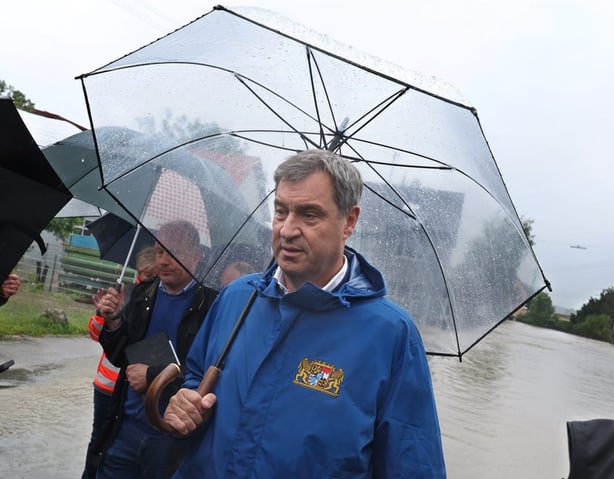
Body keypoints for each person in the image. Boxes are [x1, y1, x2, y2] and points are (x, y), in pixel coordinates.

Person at [164, 150, 447, 478]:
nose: (287, 229)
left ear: (349, 221)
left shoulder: (390, 334)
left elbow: (412, 463)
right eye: (281, 211)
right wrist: (184, 406)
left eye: (309, 214)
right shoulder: (237, 297)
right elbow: (196, 379)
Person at [92, 220, 217, 479]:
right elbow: (119, 356)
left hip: (168, 439)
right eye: (160, 251)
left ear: (195, 256)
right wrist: (114, 320)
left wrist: (152, 376)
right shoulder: (142, 294)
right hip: (124, 427)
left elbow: (209, 375)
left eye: (175, 252)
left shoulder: (210, 306)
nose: (164, 260)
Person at [81, 245, 158, 479]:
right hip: (107, 384)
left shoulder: (153, 299)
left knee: (114, 441)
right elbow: (95, 334)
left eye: (154, 276)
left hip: (130, 387)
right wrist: (103, 315)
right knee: (99, 439)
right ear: (138, 273)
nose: (150, 280)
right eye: (146, 275)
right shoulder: (122, 297)